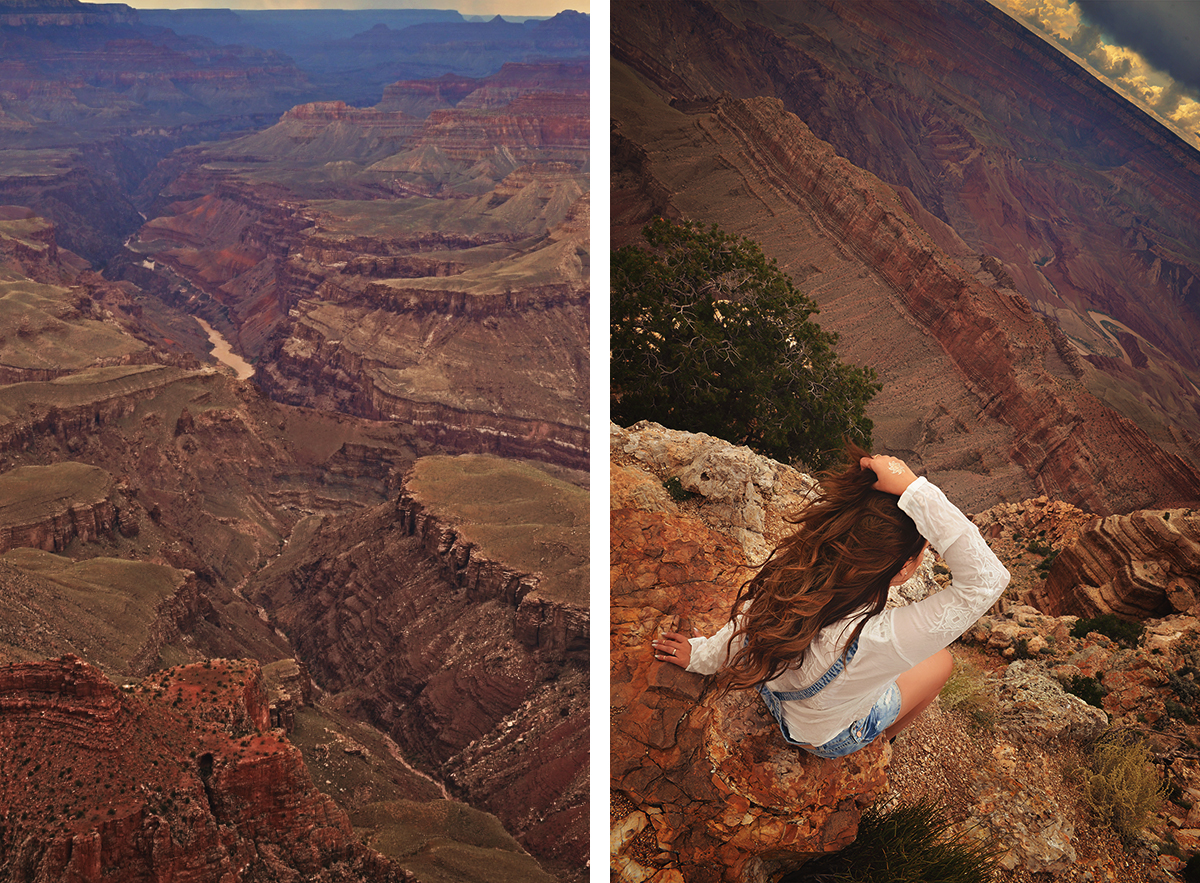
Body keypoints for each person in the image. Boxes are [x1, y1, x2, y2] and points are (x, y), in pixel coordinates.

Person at [651, 445, 1009, 758]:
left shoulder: (798, 570)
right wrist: (913, 488)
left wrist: (698, 656)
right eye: (922, 552)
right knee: (941, 662)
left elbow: (744, 628)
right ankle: (880, 744)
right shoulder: (881, 638)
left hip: (768, 686)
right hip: (818, 737)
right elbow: (987, 580)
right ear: (902, 569)